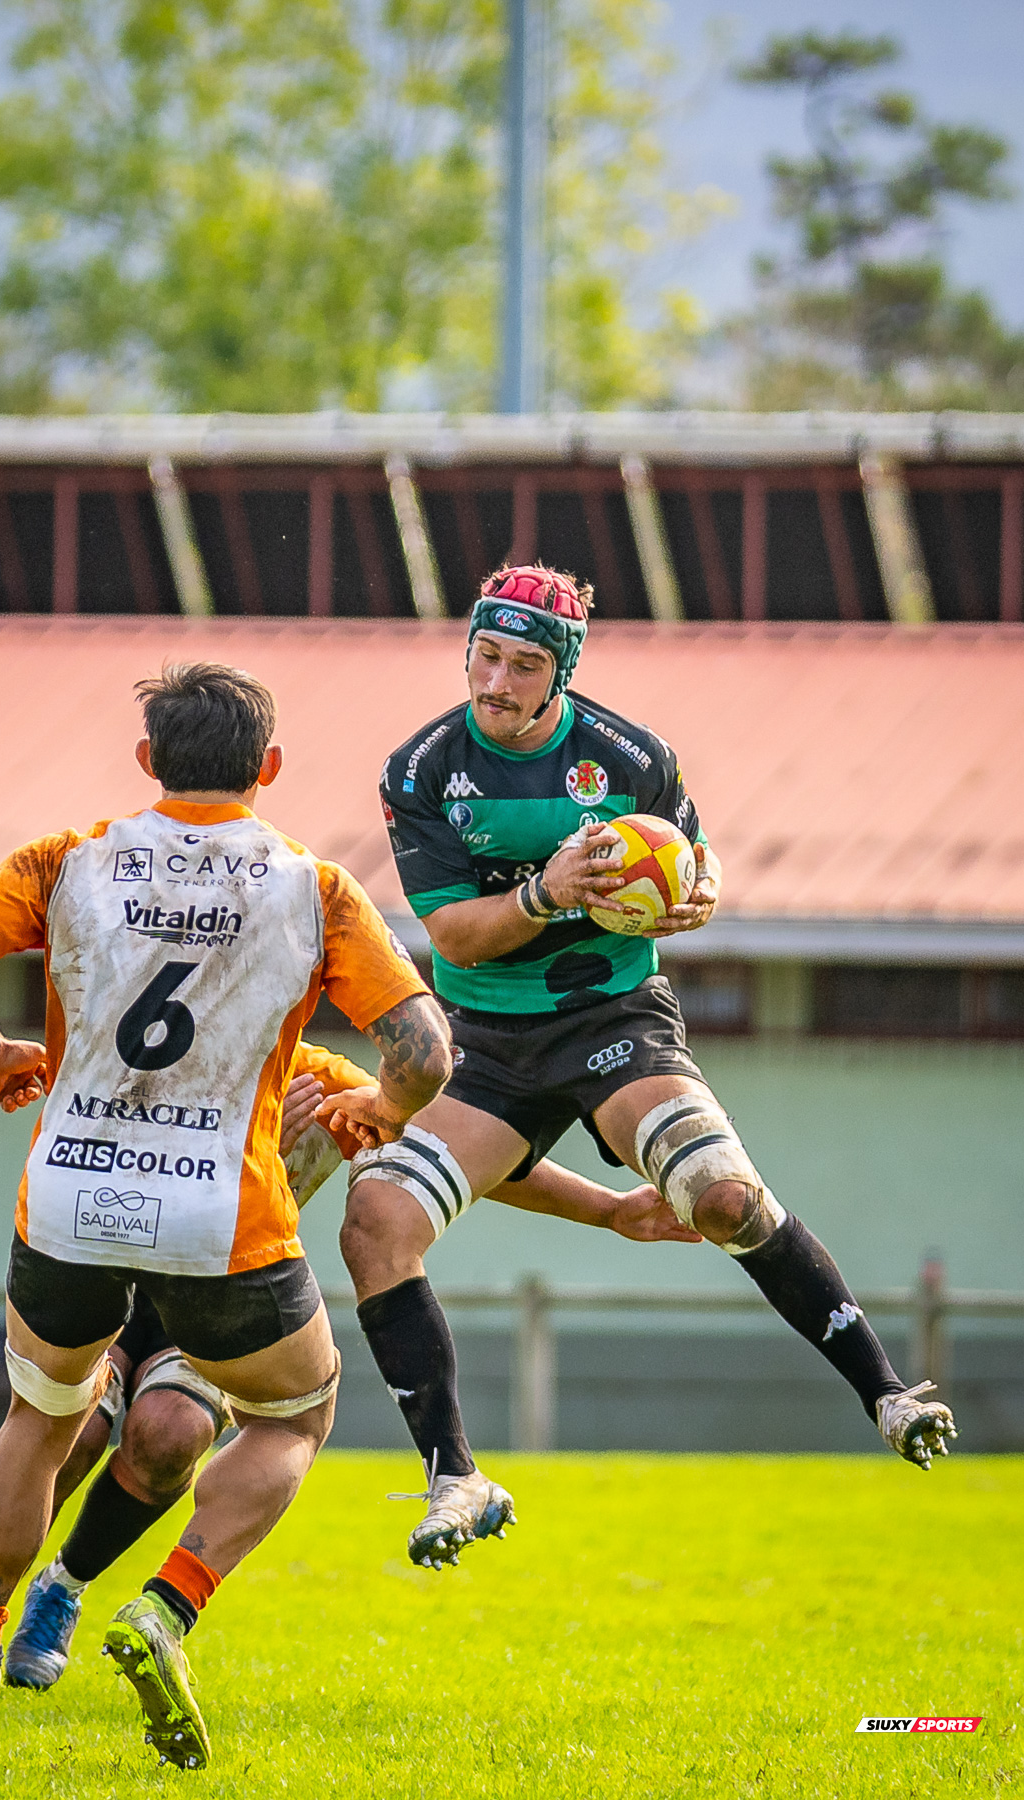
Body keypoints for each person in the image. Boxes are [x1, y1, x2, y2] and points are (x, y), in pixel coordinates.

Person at [329, 563, 958, 1571]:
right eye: (482, 655)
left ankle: (883, 1393)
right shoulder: (421, 769)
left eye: (522, 664)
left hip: (613, 1016)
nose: (493, 681)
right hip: (487, 1040)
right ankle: (456, 1475)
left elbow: (693, 864)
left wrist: (692, 892)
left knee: (717, 1198)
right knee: (375, 1222)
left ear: (561, 671)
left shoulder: (631, 757)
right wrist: (544, 894)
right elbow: (453, 931)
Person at [0, 662, 452, 1767]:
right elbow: (428, 1051)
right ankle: (166, 1604)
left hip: (68, 1199)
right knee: (294, 1417)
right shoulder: (314, 886)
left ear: (146, 762)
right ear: (270, 769)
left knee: (38, 1422)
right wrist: (380, 1109)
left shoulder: (70, 861)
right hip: (220, 1218)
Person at [0, 1043, 698, 1695]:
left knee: (169, 1432)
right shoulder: (139, 1055)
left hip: (214, 1304)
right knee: (63, 1440)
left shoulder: (319, 1079)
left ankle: (60, 1592)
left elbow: (464, 1152)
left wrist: (610, 1208)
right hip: (100, 1275)